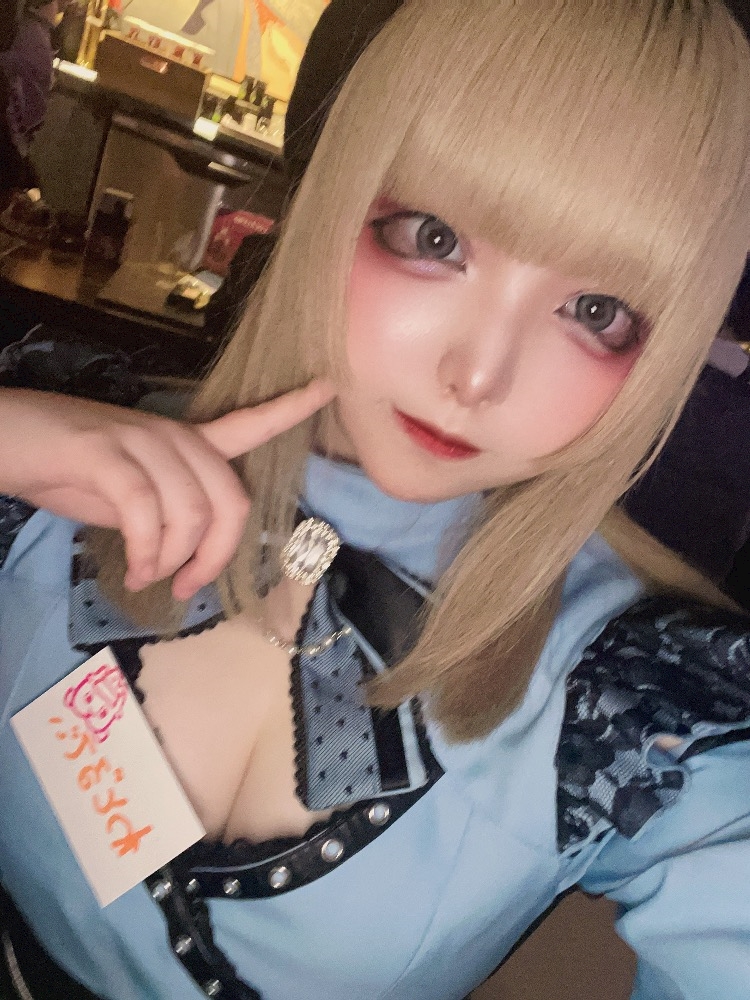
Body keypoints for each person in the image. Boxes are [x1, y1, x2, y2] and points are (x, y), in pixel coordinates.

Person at [1, 2, 750, 999]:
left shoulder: (627, 703)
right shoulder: (54, 460)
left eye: (596, 311)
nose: (477, 374)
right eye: (435, 238)